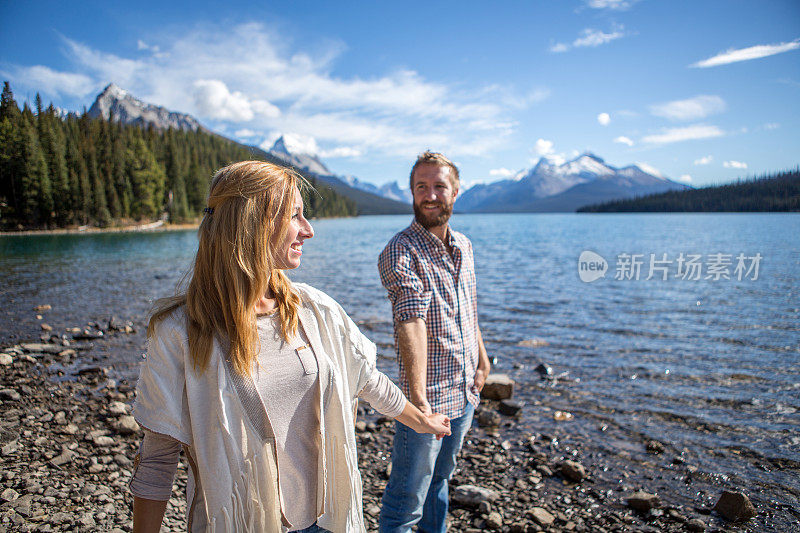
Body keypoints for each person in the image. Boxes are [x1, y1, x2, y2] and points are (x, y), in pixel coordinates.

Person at [129, 160, 451, 533]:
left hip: (326, 522)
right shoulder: (180, 331)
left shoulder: (315, 310)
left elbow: (364, 378)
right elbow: (157, 460)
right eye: (294, 215)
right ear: (250, 223)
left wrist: (420, 420)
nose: (309, 230)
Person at [378, 151, 491, 533]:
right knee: (405, 502)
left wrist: (483, 359)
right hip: (427, 401)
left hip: (465, 391)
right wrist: (419, 399)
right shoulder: (401, 250)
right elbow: (411, 319)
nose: (430, 195)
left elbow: (466, 309)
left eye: (439, 186)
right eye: (421, 187)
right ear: (411, 193)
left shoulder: (465, 245)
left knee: (440, 483)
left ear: (455, 192)